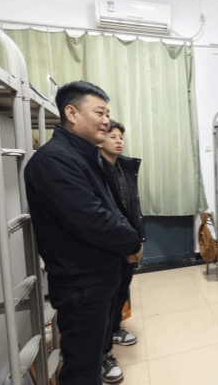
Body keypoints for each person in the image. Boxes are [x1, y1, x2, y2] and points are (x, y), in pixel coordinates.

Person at [24, 81, 143, 385]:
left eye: (107, 114)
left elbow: (110, 207)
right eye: (100, 113)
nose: (106, 121)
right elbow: (92, 219)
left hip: (98, 279)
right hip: (81, 285)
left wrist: (130, 238)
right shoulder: (55, 160)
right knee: (82, 372)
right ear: (72, 113)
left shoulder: (84, 156)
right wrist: (131, 241)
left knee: (91, 359)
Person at [99, 119, 146, 383]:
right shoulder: (95, 169)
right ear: (100, 141)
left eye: (121, 137)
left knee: (121, 291)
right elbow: (108, 213)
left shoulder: (124, 168)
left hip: (129, 241)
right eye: (113, 136)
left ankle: (115, 330)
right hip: (111, 245)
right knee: (105, 299)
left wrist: (138, 240)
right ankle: (103, 353)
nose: (118, 141)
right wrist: (127, 243)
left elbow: (132, 207)